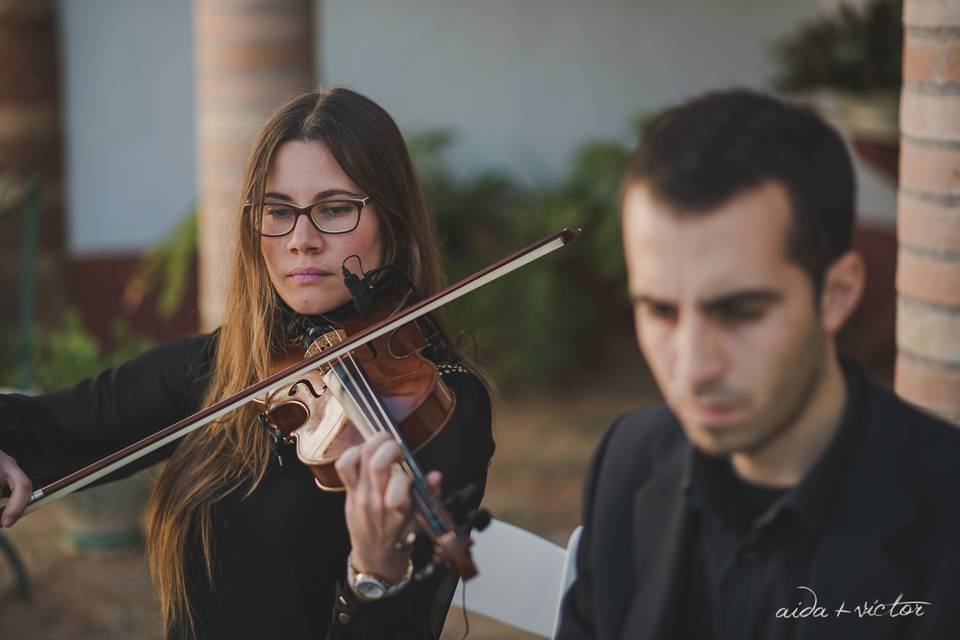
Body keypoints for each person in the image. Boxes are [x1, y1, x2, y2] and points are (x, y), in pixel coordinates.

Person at [0, 88, 495, 640]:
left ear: (393, 222)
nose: (301, 241)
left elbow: (403, 625)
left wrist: (373, 574)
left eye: (334, 209)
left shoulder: (445, 403)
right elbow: (47, 428)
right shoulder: (225, 367)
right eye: (279, 212)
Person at [556, 89, 960, 640]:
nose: (694, 367)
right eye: (660, 310)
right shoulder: (626, 465)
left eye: (740, 312)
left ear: (837, 294)